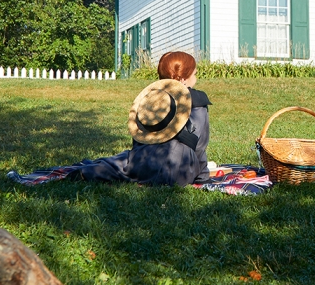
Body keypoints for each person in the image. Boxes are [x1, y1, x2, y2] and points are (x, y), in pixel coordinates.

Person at [64, 51, 212, 186]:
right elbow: (199, 144)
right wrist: (203, 176)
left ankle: (91, 172)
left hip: (144, 160)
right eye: (195, 74)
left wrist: (137, 158)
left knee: (122, 162)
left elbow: (140, 136)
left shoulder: (151, 99)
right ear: (182, 79)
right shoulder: (197, 101)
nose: (196, 78)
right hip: (177, 170)